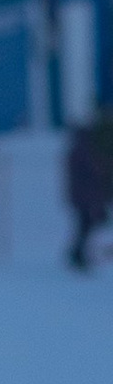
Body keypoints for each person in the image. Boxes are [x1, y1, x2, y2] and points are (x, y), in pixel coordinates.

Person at [64, 110, 113, 270]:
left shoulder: (81, 146)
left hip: (85, 194)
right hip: (85, 195)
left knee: (88, 224)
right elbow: (95, 169)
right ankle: (78, 254)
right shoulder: (84, 148)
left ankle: (80, 254)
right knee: (86, 224)